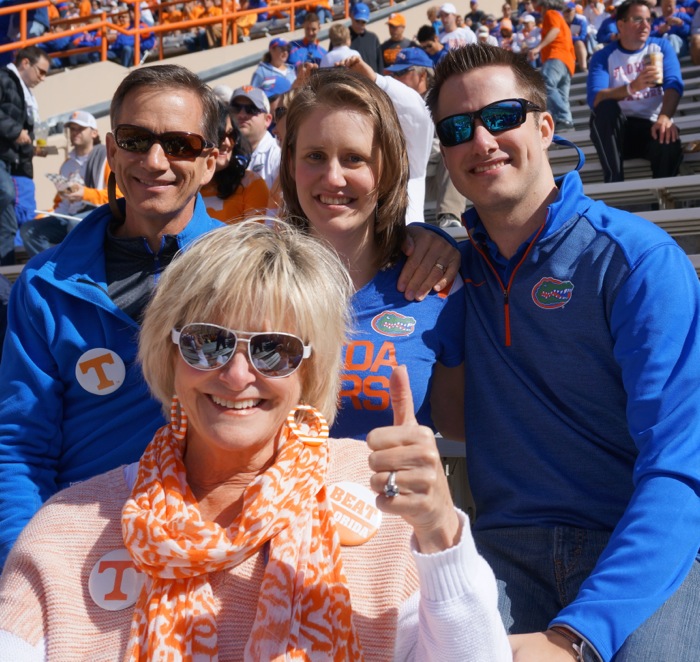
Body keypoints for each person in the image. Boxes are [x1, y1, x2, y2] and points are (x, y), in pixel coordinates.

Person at [0, 220, 511, 661]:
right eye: (207, 342)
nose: (236, 374)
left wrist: (441, 535)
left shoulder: (386, 505)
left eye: (274, 350)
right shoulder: (66, 535)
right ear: (167, 351)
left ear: (309, 371)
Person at [426, 42, 700, 661]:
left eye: (501, 117)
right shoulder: (449, 271)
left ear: (545, 125)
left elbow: (679, 468)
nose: (482, 140)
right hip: (505, 550)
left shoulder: (635, 260)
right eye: (457, 128)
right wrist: (422, 239)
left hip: (635, 540)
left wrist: (575, 637)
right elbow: (448, 417)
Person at [0, 64, 222, 569]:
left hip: (216, 547)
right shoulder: (44, 285)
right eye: (136, 139)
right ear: (112, 149)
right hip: (83, 555)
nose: (155, 160)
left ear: (209, 161)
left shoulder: (248, 267)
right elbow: (19, 449)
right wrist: (25, 568)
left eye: (180, 144)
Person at [280, 67, 464, 440]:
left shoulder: (437, 284)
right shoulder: (253, 279)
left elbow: (457, 425)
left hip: (390, 497)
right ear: (290, 164)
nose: (333, 177)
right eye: (315, 156)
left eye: (354, 159)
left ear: (388, 169)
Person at [588, 0, 684, 182]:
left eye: (649, 19)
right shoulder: (603, 56)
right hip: (619, 131)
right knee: (605, 108)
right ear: (621, 25)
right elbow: (596, 97)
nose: (646, 25)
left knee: (668, 135)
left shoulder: (661, 47)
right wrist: (632, 87)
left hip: (652, 125)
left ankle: (663, 203)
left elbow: (674, 84)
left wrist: (665, 117)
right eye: (638, 19)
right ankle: (613, 183)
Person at [20, 110, 115, 257]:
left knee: (75, 226)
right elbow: (62, 203)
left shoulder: (107, 158)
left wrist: (84, 194)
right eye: (72, 129)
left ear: (94, 133)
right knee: (29, 230)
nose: (75, 132)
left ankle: (74, 272)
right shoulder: (67, 165)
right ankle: (50, 270)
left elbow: (118, 197)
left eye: (80, 129)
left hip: (100, 216)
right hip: (70, 217)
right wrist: (46, 215)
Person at [0, 46, 50, 266]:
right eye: (41, 71)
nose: (43, 78)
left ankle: (5, 273)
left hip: (10, 161)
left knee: (9, 226)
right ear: (26, 63)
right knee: (6, 192)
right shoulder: (3, 78)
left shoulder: (26, 94)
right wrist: (15, 131)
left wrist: (32, 148)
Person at [200, 103, 270, 222]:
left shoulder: (250, 184)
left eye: (231, 135)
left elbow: (255, 239)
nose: (227, 143)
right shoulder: (184, 185)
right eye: (220, 135)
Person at [528, 0, 576, 131]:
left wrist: (538, 48)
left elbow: (554, 30)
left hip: (556, 56)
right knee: (561, 95)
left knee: (545, 83)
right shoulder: (560, 16)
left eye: (541, 8)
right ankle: (566, 121)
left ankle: (564, 116)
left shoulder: (551, 13)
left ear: (545, 6)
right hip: (567, 61)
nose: (541, 12)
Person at [230, 85, 280, 190]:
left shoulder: (277, 154)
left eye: (251, 109)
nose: (242, 114)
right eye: (236, 108)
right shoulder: (224, 151)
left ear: (267, 120)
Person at [348, 2, 384, 73]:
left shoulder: (373, 38)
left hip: (371, 82)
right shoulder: (342, 37)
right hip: (352, 82)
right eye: (357, 21)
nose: (360, 25)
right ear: (351, 16)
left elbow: (380, 65)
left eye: (363, 22)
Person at [563, 1, 590, 70]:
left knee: (579, 43)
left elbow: (582, 37)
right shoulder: (561, 21)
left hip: (580, 47)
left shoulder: (581, 19)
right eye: (564, 11)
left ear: (574, 11)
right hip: (566, 47)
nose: (566, 14)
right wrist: (574, 37)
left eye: (568, 11)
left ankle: (583, 68)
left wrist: (570, 37)